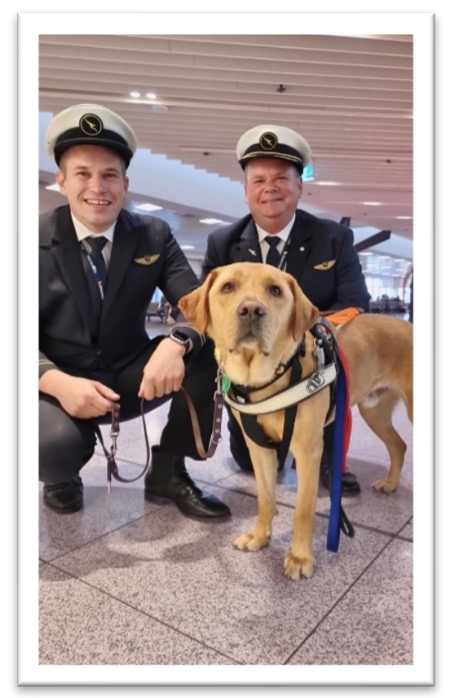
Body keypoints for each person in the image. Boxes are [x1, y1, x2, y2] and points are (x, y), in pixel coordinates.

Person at [39, 103, 230, 519]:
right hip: (57, 378)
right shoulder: (26, 239)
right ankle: (61, 475)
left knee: (211, 355)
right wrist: (56, 383)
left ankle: (167, 470)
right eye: (83, 174)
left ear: (125, 183)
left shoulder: (153, 235)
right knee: (53, 447)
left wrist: (177, 341)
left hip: (131, 374)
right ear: (61, 181)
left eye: (109, 175)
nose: (98, 187)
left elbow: (198, 304)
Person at [201, 124, 371, 496]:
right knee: (252, 461)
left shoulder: (334, 238)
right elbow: (209, 312)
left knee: (331, 375)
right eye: (259, 179)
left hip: (317, 369)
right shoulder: (222, 242)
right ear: (246, 192)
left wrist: (301, 333)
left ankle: (327, 451)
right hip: (254, 375)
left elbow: (355, 302)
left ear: (299, 187)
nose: (270, 187)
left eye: (281, 178)